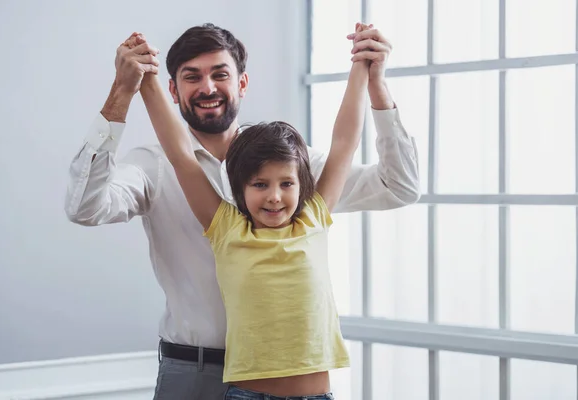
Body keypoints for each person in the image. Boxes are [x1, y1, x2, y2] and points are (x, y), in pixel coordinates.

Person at [64, 23, 420, 400]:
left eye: (220, 74)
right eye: (192, 77)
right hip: (194, 370)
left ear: (242, 83)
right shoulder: (206, 209)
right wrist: (134, 84)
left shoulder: (297, 175)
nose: (275, 196)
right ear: (174, 90)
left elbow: (381, 170)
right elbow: (161, 167)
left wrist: (371, 76)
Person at [136, 21, 370, 399]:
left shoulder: (313, 219)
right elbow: (181, 155)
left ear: (301, 186)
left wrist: (363, 65)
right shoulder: (226, 228)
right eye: (260, 185)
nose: (274, 197)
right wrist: (147, 79)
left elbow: (344, 142)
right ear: (239, 189)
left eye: (286, 184)